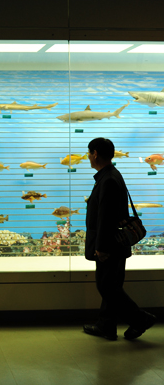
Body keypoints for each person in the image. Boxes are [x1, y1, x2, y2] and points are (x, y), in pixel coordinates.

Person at [83, 137, 156, 340]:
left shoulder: (108, 180)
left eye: (89, 153)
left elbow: (105, 218)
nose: (88, 157)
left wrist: (101, 247)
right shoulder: (111, 176)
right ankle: (106, 325)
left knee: (106, 286)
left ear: (95, 154)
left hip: (110, 245)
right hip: (115, 243)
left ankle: (140, 319)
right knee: (111, 286)